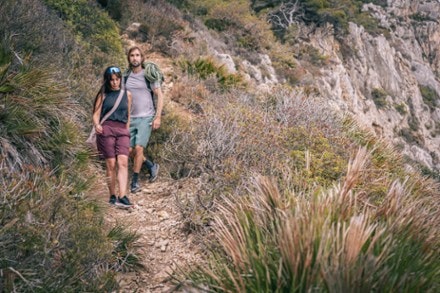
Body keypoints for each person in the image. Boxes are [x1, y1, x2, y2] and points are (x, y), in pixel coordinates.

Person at [124, 46, 164, 193]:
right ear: (129, 58)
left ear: (142, 58)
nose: (135, 58)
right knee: (128, 150)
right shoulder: (126, 77)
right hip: (130, 119)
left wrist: (157, 116)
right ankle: (151, 166)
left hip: (146, 117)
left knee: (139, 148)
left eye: (137, 55)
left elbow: (159, 95)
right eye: (132, 55)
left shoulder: (149, 75)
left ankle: (134, 181)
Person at [92, 66, 133, 207]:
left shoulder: (127, 94)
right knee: (111, 164)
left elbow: (128, 116)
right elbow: (96, 114)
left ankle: (123, 196)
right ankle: (112, 195)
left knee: (123, 162)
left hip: (122, 130)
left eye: (117, 79)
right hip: (107, 129)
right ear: (108, 81)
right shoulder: (103, 95)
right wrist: (97, 124)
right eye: (112, 80)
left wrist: (127, 133)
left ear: (121, 79)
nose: (115, 82)